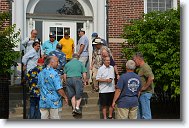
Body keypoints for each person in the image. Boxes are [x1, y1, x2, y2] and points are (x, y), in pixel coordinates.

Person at [133, 52, 154, 119]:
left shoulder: (145, 67)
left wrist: (144, 88)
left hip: (145, 93)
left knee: (146, 115)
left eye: (134, 60)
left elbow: (151, 77)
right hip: (142, 94)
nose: (134, 62)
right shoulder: (141, 67)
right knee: (141, 114)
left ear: (139, 59)